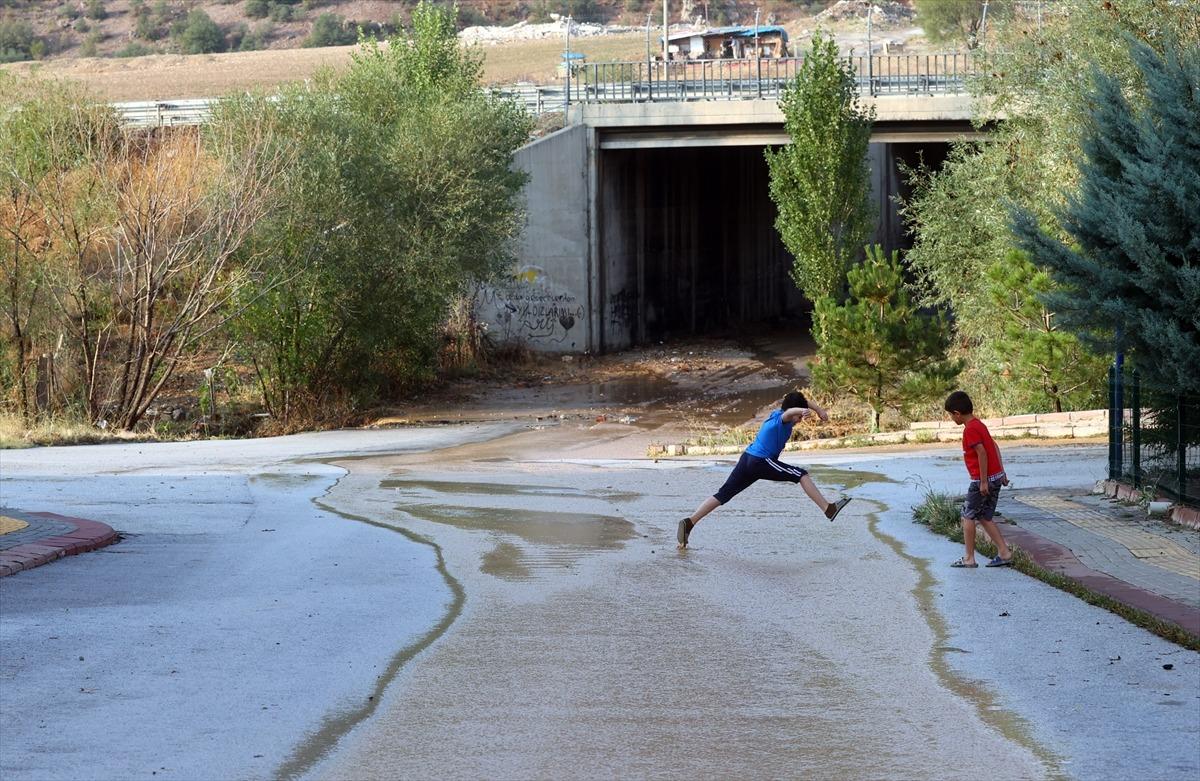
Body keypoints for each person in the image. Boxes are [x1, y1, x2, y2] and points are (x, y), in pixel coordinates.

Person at [677, 391, 852, 549]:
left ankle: (690, 522)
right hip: (760, 461)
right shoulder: (782, 419)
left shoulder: (776, 413)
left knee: (723, 494)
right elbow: (789, 413)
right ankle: (828, 509)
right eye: (799, 417)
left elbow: (797, 406)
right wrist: (800, 411)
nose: (799, 421)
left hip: (747, 458)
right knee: (801, 475)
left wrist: (818, 410)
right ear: (794, 412)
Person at [944, 390, 1014, 568]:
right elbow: (994, 445)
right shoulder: (979, 424)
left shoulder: (970, 430)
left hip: (982, 481)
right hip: (995, 477)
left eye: (951, 415)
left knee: (968, 516)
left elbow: (982, 452)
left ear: (957, 414)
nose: (952, 419)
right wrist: (1002, 472)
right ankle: (1004, 552)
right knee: (984, 516)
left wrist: (983, 481)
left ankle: (969, 558)